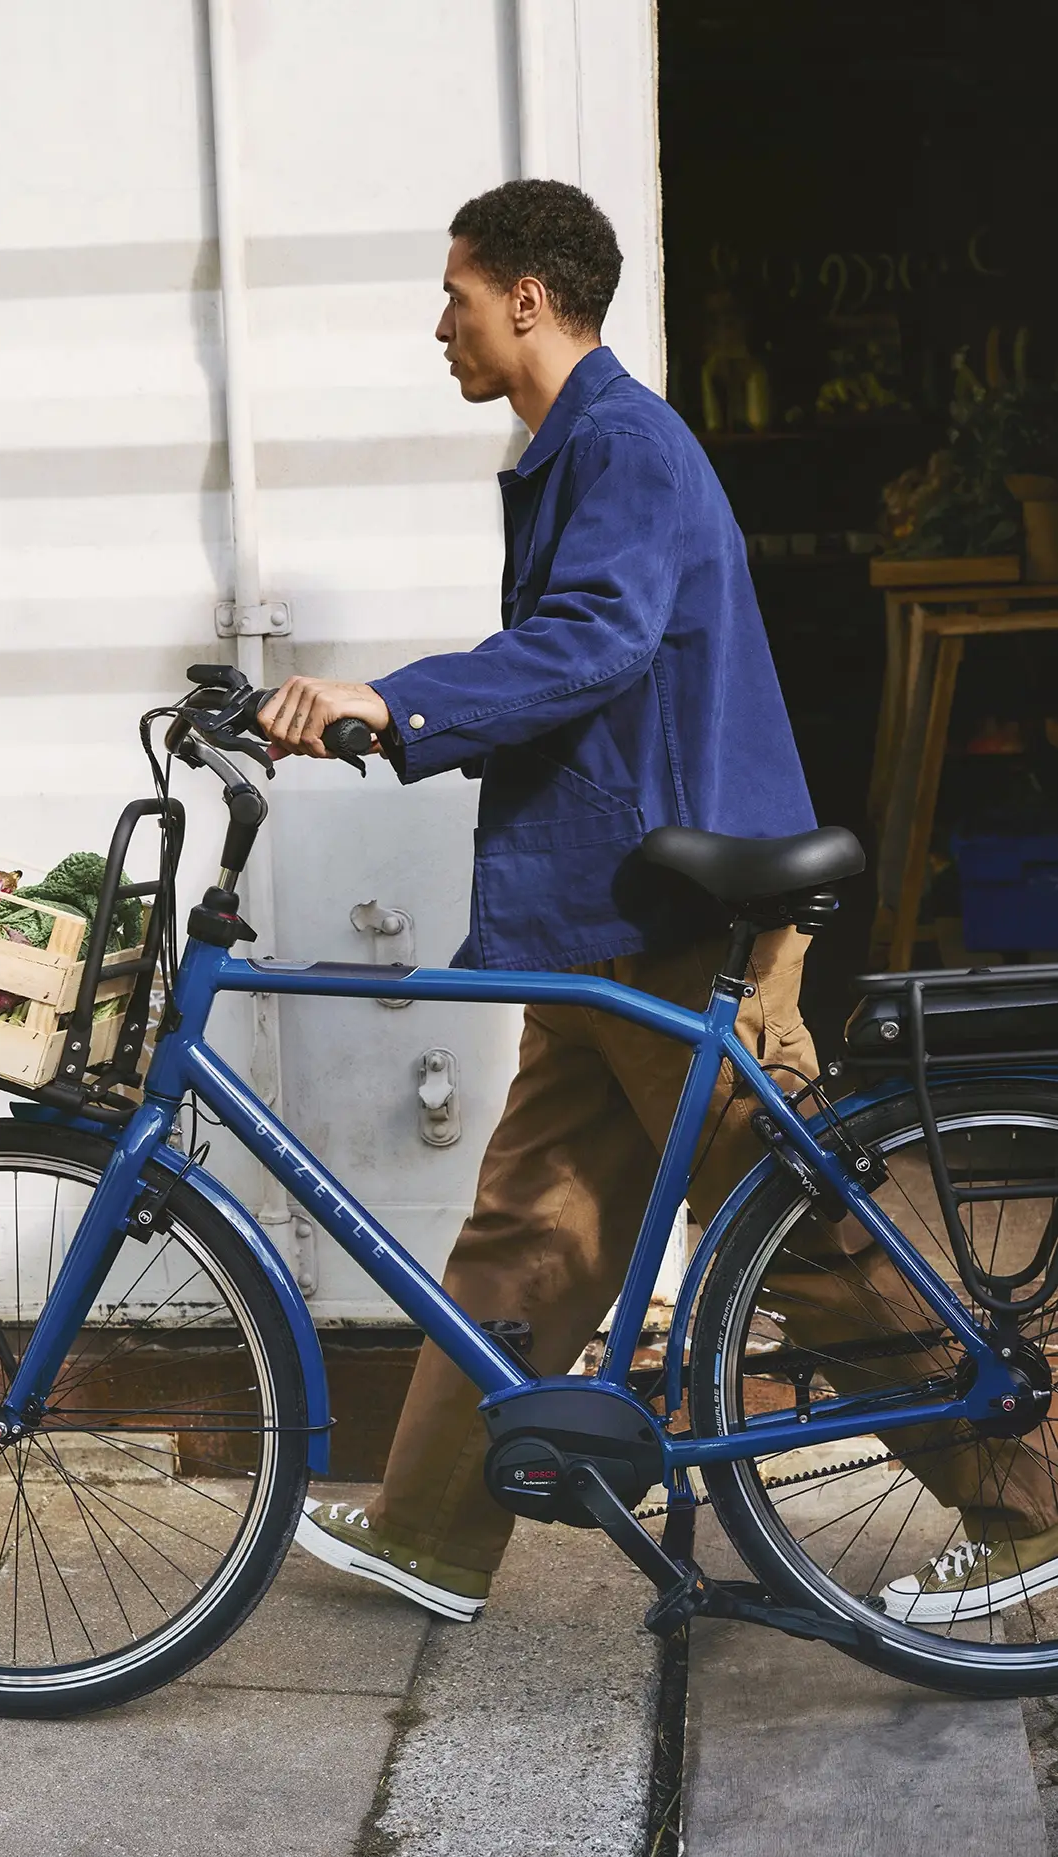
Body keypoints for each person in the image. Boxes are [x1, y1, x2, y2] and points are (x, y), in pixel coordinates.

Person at [257, 179, 1058, 1626]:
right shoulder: (579, 447)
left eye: (455, 293)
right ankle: (430, 1529)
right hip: (606, 914)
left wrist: (390, 701)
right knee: (536, 1228)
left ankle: (1035, 1505)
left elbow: (593, 643)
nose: (441, 324)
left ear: (527, 297)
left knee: (802, 1233)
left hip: (677, 928)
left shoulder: (621, 443)